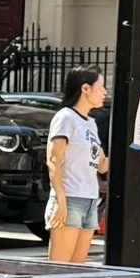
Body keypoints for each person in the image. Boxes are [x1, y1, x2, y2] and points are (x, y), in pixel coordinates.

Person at [47, 66, 108, 264]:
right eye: (101, 86)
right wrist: (60, 202)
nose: (105, 92)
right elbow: (53, 159)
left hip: (90, 198)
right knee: (59, 267)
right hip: (70, 197)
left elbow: (102, 165)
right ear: (85, 89)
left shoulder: (91, 123)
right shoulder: (66, 117)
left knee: (77, 268)